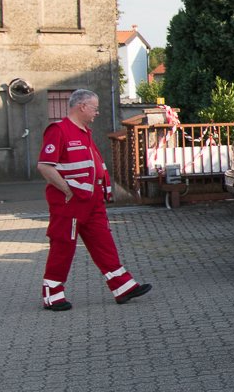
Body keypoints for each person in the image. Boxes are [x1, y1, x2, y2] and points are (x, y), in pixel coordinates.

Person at [37, 89, 152, 310]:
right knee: (63, 246)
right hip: (69, 204)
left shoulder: (84, 132)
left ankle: (123, 286)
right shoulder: (59, 130)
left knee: (103, 242)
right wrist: (67, 190)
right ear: (82, 107)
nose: (97, 112)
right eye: (95, 108)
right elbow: (44, 166)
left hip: (92, 201)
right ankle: (52, 294)